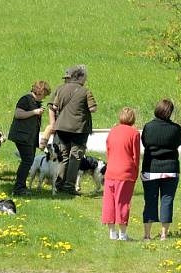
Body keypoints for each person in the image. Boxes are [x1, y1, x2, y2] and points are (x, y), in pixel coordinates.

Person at [141, 99, 181, 240]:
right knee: (167, 200)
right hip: (170, 168)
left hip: (150, 168)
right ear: (170, 112)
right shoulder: (176, 129)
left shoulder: (148, 127)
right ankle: (164, 234)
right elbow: (179, 143)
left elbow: (145, 143)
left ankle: (147, 235)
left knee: (150, 200)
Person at [52, 64, 97, 195]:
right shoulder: (85, 91)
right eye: (85, 77)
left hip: (61, 127)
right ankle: (69, 186)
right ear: (80, 77)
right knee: (75, 157)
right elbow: (93, 109)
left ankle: (59, 184)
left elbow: (54, 106)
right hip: (79, 129)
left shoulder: (61, 89)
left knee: (64, 156)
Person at [102, 107, 140, 241]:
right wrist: (135, 173)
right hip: (125, 173)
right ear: (133, 118)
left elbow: (108, 150)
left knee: (109, 202)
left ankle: (112, 232)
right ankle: (122, 234)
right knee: (123, 202)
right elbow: (136, 156)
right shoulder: (134, 133)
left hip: (111, 170)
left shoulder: (112, 131)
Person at [8, 80, 51, 196]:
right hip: (22, 135)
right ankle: (19, 188)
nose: (44, 98)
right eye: (44, 94)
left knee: (28, 160)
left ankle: (21, 186)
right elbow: (18, 114)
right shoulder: (25, 99)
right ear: (39, 91)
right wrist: (34, 112)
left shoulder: (36, 102)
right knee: (27, 160)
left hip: (30, 136)